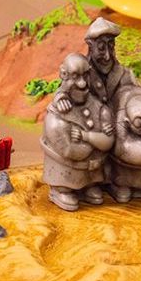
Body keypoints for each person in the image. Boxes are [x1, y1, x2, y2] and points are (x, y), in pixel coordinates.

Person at [41, 53, 114, 211]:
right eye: (75, 76)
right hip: (66, 170)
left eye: (85, 75)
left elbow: (108, 140)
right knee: (68, 168)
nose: (82, 83)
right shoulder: (57, 113)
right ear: (64, 75)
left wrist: (88, 136)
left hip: (92, 170)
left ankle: (87, 186)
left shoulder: (95, 104)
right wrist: (95, 141)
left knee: (93, 182)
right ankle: (61, 190)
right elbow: (69, 150)